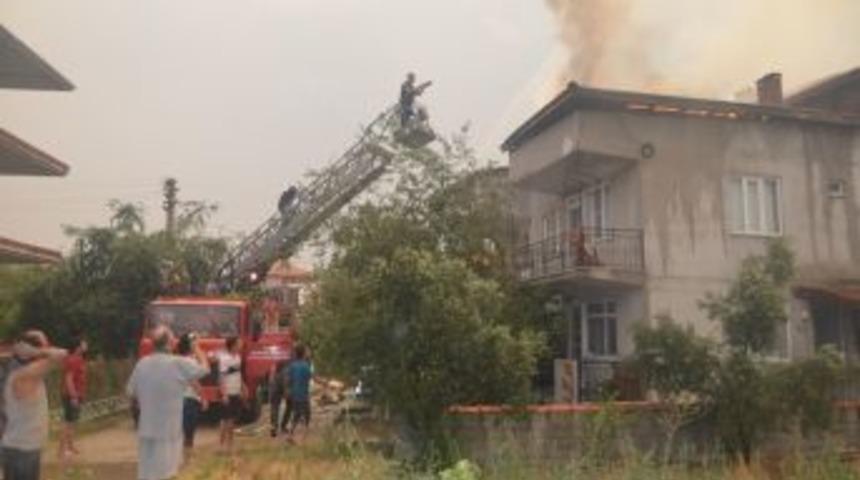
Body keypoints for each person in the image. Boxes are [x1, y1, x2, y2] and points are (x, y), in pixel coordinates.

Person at [127, 326, 208, 480]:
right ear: (170, 343)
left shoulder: (142, 364)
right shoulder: (178, 363)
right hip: (168, 431)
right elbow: (204, 369)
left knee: (146, 473)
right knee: (167, 472)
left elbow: (131, 392)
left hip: (147, 429)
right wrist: (197, 348)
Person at [2, 330, 67, 480]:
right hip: (23, 451)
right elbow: (61, 355)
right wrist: (37, 351)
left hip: (20, 448)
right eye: (45, 345)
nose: (47, 349)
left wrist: (29, 350)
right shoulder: (25, 375)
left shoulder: (21, 373)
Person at [176, 334, 208, 455]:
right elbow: (194, 381)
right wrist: (203, 397)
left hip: (182, 399)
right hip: (189, 400)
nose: (197, 343)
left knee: (186, 433)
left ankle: (185, 458)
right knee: (189, 434)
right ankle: (186, 460)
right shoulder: (189, 361)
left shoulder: (180, 360)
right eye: (194, 342)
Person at [58, 337, 87, 460]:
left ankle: (70, 447)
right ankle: (61, 451)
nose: (86, 345)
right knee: (67, 423)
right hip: (71, 395)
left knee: (72, 422)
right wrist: (73, 396)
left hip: (76, 394)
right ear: (77, 347)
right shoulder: (73, 360)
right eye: (83, 343)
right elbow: (68, 379)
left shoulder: (79, 359)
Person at [217, 337, 246, 454]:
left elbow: (238, 374)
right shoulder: (224, 359)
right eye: (239, 343)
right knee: (226, 420)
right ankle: (222, 445)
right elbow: (221, 377)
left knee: (232, 420)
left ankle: (229, 445)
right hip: (227, 392)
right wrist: (224, 394)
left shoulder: (238, 358)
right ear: (233, 345)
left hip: (236, 391)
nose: (241, 345)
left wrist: (243, 387)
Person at [285, 345, 312, 444]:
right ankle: (301, 438)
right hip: (303, 394)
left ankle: (291, 435)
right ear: (304, 354)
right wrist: (326, 383)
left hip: (295, 394)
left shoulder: (293, 365)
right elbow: (312, 377)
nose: (308, 353)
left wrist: (287, 390)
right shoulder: (305, 366)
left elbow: (288, 379)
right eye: (307, 351)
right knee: (306, 415)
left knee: (297, 415)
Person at [268, 359, 290, 438]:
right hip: (277, 386)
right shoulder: (285, 369)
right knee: (288, 406)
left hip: (274, 387)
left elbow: (271, 378)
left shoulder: (274, 366)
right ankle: (281, 426)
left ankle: (274, 427)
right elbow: (285, 380)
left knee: (274, 407)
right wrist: (286, 391)